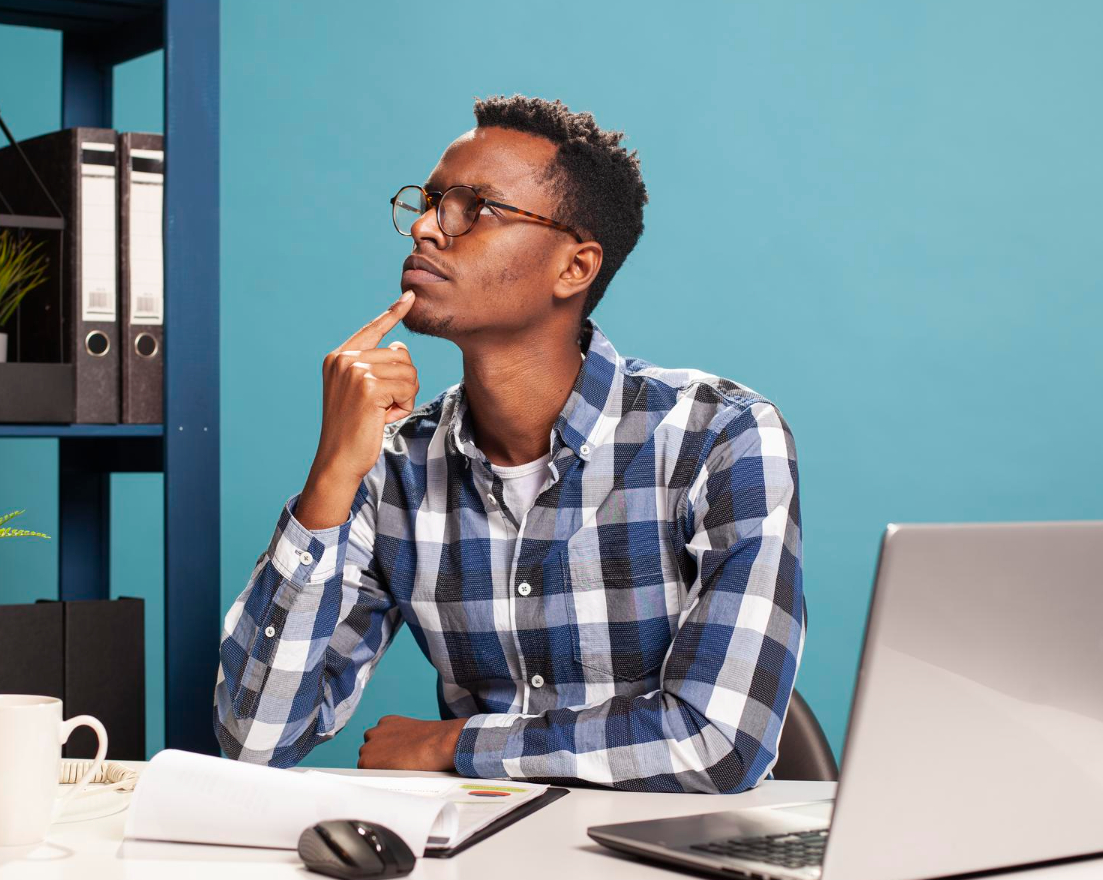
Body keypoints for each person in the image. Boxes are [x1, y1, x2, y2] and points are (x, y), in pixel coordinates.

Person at [214, 94, 805, 792]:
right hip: (474, 867)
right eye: (430, 202)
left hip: (670, 871)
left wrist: (452, 744)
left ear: (574, 268)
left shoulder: (719, 436)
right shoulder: (395, 465)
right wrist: (332, 478)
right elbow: (252, 743)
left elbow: (718, 745)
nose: (429, 229)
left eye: (473, 208)